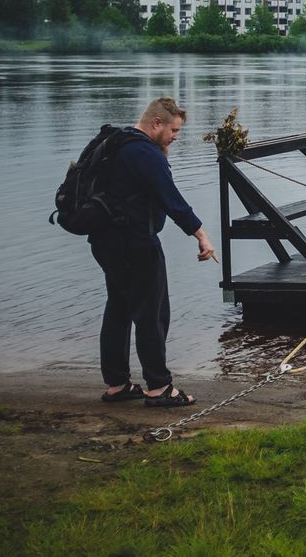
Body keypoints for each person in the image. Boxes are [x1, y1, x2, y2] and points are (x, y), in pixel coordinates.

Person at [90, 97, 215, 407]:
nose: (175, 136)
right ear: (156, 123)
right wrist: (201, 234)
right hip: (136, 244)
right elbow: (171, 199)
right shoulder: (144, 152)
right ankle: (159, 387)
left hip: (106, 242)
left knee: (119, 308)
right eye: (174, 130)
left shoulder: (115, 142)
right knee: (153, 314)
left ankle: (117, 384)